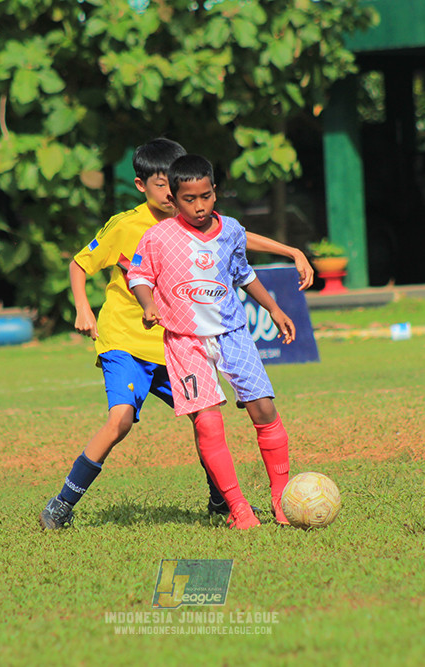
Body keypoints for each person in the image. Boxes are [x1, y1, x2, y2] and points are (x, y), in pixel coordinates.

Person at [40, 139, 313, 530]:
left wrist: (290, 252)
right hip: (128, 342)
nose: (173, 195)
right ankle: (63, 502)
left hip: (174, 343)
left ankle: (223, 500)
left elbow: (236, 239)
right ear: (143, 185)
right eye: (164, 187)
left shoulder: (198, 220)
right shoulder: (136, 228)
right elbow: (86, 265)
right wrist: (84, 309)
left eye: (180, 188)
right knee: (120, 420)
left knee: (206, 420)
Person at [128, 154, 297, 530]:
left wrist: (273, 309)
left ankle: (282, 499)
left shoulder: (232, 230)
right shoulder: (157, 237)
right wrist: (148, 302)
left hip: (232, 333)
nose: (199, 205)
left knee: (264, 410)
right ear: (172, 198)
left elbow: (244, 274)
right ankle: (239, 509)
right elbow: (138, 275)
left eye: (206, 196)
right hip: (185, 342)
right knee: (208, 424)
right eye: (189, 199)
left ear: (215, 192)